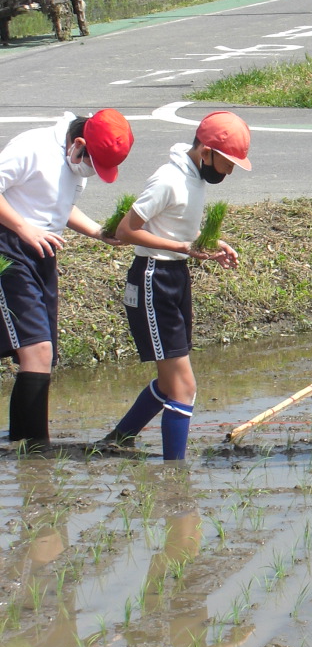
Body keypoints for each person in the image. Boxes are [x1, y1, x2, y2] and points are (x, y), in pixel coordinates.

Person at [99, 112, 252, 460]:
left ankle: (119, 437)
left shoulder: (194, 178)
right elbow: (126, 230)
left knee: (171, 383)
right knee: (184, 387)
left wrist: (210, 242)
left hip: (175, 277)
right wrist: (184, 248)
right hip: (153, 279)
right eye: (227, 163)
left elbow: (176, 225)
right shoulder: (169, 179)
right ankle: (174, 473)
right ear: (206, 152)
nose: (227, 172)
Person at [0, 110, 133, 448]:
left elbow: (58, 206)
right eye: (93, 163)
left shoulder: (74, 163)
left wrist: (98, 232)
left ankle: (26, 444)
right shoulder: (32, 146)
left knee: (43, 354)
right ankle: (34, 449)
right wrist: (24, 228)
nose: (91, 172)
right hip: (8, 248)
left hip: (41, 253)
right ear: (78, 144)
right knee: (37, 350)